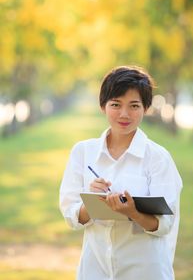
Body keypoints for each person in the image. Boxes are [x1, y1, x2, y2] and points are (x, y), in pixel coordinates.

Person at [59, 65, 183, 280]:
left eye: (134, 105)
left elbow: (164, 225)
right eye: (115, 104)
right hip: (95, 268)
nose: (124, 114)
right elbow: (71, 216)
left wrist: (133, 212)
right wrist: (94, 203)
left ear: (146, 108)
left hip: (145, 270)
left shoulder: (158, 157)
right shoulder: (83, 152)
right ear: (103, 106)